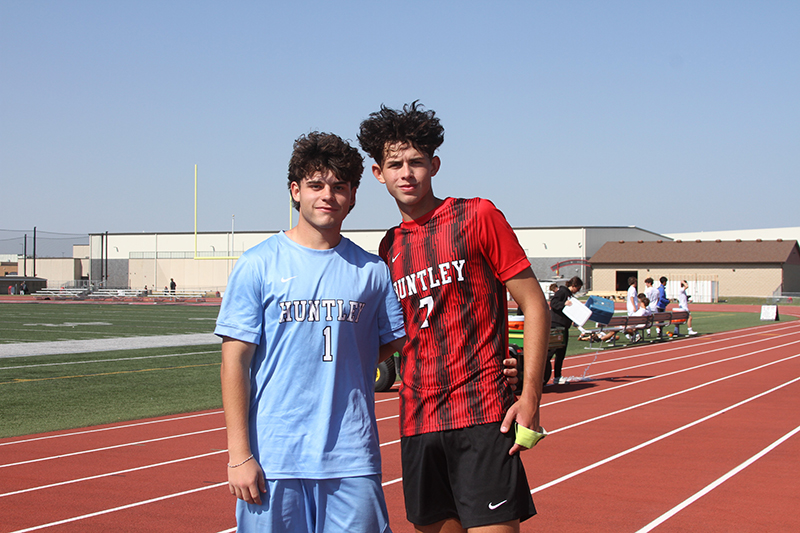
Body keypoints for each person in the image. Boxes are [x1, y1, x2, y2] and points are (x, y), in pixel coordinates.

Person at [359, 102, 550, 532]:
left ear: (435, 165)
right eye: (394, 164)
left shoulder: (478, 215)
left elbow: (535, 304)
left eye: (416, 162)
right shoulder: (388, 248)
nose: (406, 173)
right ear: (378, 174)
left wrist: (531, 397)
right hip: (417, 423)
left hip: (482, 417)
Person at [215, 132, 407, 532]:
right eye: (316, 185)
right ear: (295, 191)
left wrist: (347, 364)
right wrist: (239, 455)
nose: (328, 196)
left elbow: (392, 339)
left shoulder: (372, 271)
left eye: (339, 187)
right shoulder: (258, 264)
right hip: (274, 456)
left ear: (353, 195)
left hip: (351, 456)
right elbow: (235, 361)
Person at [545, 276, 583, 385]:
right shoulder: (562, 292)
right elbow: (553, 304)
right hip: (556, 325)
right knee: (551, 351)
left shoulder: (569, 295)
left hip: (563, 326)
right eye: (578, 288)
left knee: (561, 352)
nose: (578, 291)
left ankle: (557, 376)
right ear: (574, 286)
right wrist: (563, 304)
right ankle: (542, 373)